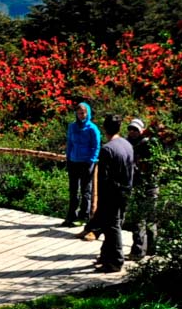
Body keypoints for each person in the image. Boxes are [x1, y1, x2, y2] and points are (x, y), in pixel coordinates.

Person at [92, 113, 136, 273]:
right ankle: (105, 256)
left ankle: (116, 261)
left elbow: (103, 179)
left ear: (104, 128)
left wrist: (100, 202)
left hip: (112, 193)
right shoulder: (127, 144)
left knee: (112, 227)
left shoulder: (107, 149)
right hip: (126, 190)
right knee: (113, 225)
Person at [63, 101, 102, 228]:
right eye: (79, 113)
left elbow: (96, 146)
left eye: (83, 113)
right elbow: (70, 143)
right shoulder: (72, 127)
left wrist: (91, 160)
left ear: (88, 113)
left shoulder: (92, 128)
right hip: (73, 161)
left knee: (86, 190)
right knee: (73, 190)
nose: (81, 115)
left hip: (86, 162)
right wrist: (68, 157)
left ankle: (83, 216)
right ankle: (71, 216)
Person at [126, 118, 159, 260]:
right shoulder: (131, 143)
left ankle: (139, 251)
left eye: (135, 129)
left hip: (148, 185)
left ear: (141, 130)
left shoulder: (147, 145)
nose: (132, 132)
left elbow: (148, 166)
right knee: (148, 218)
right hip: (143, 184)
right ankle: (151, 249)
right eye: (130, 129)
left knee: (142, 219)